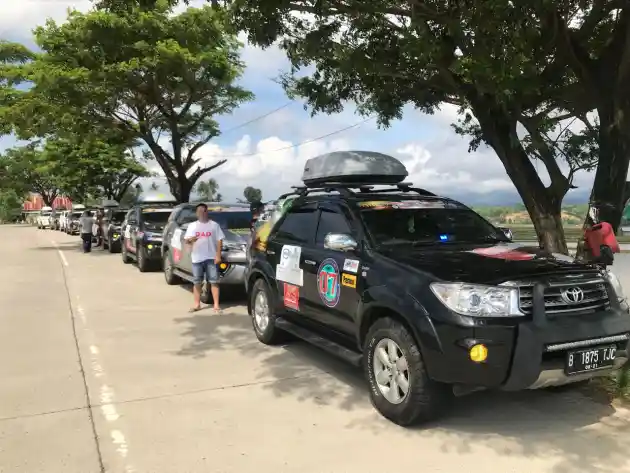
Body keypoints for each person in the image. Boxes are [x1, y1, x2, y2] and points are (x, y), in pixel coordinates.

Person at [184, 203, 225, 313]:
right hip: (197, 257)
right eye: (199, 211)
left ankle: (216, 305)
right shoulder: (192, 226)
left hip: (211, 257)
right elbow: (186, 241)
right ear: (197, 213)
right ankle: (197, 304)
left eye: (203, 210)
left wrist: (218, 255)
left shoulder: (214, 225)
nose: (201, 213)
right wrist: (192, 239)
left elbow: (220, 240)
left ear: (207, 212)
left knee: (214, 281)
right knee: (197, 282)